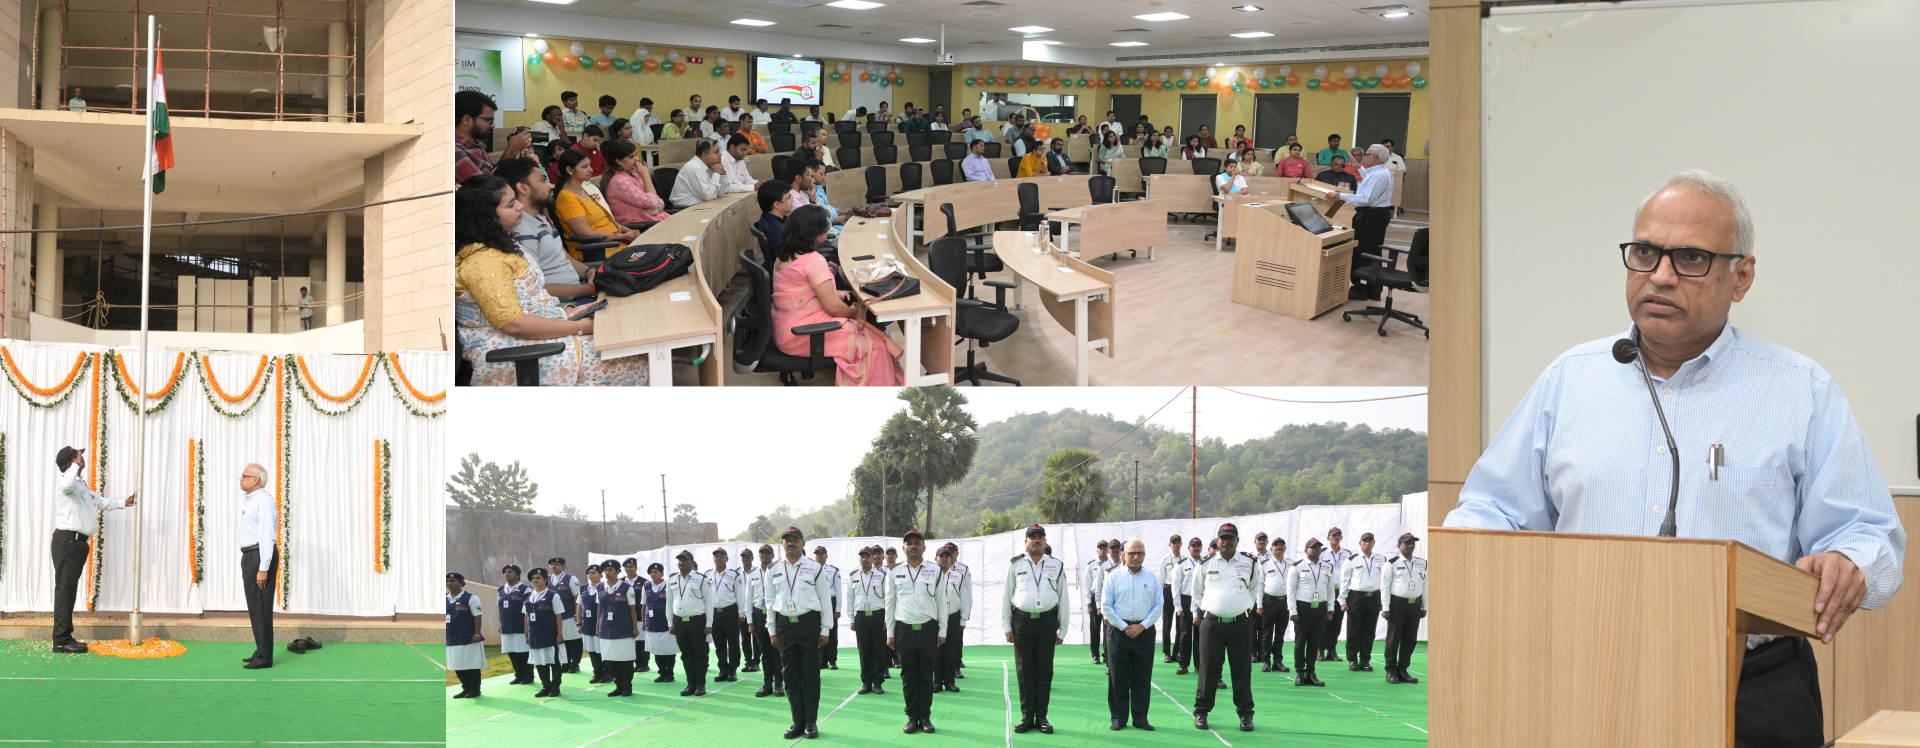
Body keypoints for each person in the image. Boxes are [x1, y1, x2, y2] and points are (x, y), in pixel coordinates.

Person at [1454, 170, 1907, 736]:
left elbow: (1870, 534)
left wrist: (1849, 562)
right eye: (1645, 252)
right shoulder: (1571, 379)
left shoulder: (1800, 389)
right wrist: (1471, 548)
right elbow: (1491, 510)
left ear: (1741, 277)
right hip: (1586, 682)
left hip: (1754, 692)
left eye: (1690, 258)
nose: (1660, 276)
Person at [455, 174, 645, 385]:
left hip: (535, 337)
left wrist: (567, 312)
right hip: (515, 351)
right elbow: (514, 324)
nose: (519, 206)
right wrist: (579, 326)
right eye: (510, 204)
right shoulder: (482, 261)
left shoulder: (500, 245)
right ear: (486, 216)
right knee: (635, 359)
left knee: (624, 339)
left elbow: (528, 300)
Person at [769, 205, 904, 385]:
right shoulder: (814, 261)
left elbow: (798, 291)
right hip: (804, 334)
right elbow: (833, 308)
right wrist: (855, 313)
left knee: (873, 333)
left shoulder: (782, 256)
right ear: (815, 232)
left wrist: (834, 291)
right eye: (825, 224)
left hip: (784, 330)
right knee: (877, 345)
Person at [48, 447, 135, 654]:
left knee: (68, 591)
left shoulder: (79, 484)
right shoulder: (66, 483)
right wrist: (75, 465)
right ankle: (60, 640)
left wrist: (123, 503)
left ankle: (65, 636)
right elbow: (68, 482)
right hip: (68, 541)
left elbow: (97, 500)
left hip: (76, 544)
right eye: (79, 457)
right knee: (65, 591)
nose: (83, 458)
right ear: (70, 463)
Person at [1190, 523, 1260, 733]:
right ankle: (1201, 712)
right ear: (1218, 541)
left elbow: (1254, 589)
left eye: (1231, 538)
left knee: (1242, 670)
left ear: (1237, 541)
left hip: (1241, 624)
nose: (1227, 541)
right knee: (1208, 670)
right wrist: (1211, 610)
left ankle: (1245, 715)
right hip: (1212, 625)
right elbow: (1197, 592)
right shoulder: (1205, 563)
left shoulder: (1250, 562)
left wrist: (1242, 607)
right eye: (1223, 538)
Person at [494, 158, 594, 301]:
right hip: (564, 302)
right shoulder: (521, 230)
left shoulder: (541, 218)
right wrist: (590, 289)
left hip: (580, 289)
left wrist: (590, 273)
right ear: (523, 188)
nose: (551, 185)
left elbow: (565, 258)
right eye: (543, 181)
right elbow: (533, 287)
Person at [1003, 524, 1071, 734]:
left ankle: (1041, 716)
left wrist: (1063, 629)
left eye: (1040, 537)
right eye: (1032, 537)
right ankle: (1026, 717)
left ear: (1045, 541)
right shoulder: (1015, 565)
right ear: (1026, 542)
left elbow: (1064, 598)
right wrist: (1007, 626)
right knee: (1024, 671)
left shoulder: (1056, 565)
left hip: (1046, 622)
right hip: (1022, 621)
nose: (1036, 540)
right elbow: (1007, 596)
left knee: (1044, 670)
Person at [767, 527, 829, 740]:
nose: (791, 543)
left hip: (808, 624)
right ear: (782, 544)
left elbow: (824, 600)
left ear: (803, 543)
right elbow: (769, 602)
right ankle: (797, 720)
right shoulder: (773, 569)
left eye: (795, 540)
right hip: (785, 625)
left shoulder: (815, 568)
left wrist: (825, 629)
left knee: (810, 674)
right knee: (790, 675)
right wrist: (772, 630)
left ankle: (811, 721)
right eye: (787, 540)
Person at [885, 530, 947, 734]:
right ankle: (912, 716)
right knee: (908, 675)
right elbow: (890, 604)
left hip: (928, 629)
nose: (913, 546)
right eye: (909, 543)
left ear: (924, 547)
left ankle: (925, 717)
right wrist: (890, 633)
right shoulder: (894, 572)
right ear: (903, 548)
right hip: (904, 631)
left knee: (926, 674)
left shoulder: (935, 570)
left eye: (917, 543)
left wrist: (942, 630)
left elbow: (941, 603)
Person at [1101, 539, 1161, 731]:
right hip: (1118, 632)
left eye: (1140, 553)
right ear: (1123, 554)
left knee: (1142, 675)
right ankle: (1119, 718)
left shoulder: (1152, 578)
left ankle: (1140, 718)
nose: (1136, 557)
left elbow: (1158, 605)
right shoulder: (1112, 577)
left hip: (1144, 631)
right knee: (1117, 676)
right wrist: (1125, 627)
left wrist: (1142, 626)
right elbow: (1106, 607)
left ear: (1144, 555)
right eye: (1132, 553)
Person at [229, 463, 278, 668]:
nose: (240, 479)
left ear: (255, 480)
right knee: (255, 607)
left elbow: (267, 536)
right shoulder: (252, 500)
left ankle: (264, 658)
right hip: (251, 556)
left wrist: (263, 568)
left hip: (259, 556)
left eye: (244, 476)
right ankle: (260, 650)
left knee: (261, 608)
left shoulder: (263, 502)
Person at [1337, 144, 1396, 301]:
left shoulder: (1378, 175)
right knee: (1373, 251)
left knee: (1362, 253)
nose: (1364, 157)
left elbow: (1365, 199)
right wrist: (1359, 167)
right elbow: (1370, 181)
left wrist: (1340, 195)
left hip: (1370, 216)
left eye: (1367, 154)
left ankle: (1360, 288)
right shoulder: (1382, 172)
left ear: (1374, 157)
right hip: (1377, 215)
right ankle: (1373, 288)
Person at [551, 149, 633, 255]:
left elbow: (604, 221)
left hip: (614, 243)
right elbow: (586, 234)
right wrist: (622, 236)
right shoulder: (566, 197)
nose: (590, 170)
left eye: (589, 165)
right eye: (584, 166)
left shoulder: (587, 190)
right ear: (569, 169)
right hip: (594, 250)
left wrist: (626, 230)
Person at [1377, 533, 1426, 685]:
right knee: (1393, 639)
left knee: (1410, 639)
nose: (1410, 545)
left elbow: (1425, 586)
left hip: (1415, 604)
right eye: (1406, 543)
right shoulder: (1391, 563)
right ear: (1399, 546)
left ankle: (1403, 669)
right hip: (1397, 604)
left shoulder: (1422, 563)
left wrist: (1425, 606)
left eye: (1412, 543)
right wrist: (1385, 607)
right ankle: (1391, 670)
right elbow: (1384, 587)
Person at [1286, 538, 1333, 687]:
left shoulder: (1327, 567)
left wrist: (1330, 609)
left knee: (1314, 643)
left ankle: (1311, 672)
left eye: (1318, 547)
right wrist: (1293, 611)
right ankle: (1300, 672)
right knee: (1300, 643)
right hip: (1302, 608)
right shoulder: (1297, 567)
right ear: (1306, 550)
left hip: (1320, 608)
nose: (1316, 549)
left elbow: (1330, 589)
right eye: (1312, 547)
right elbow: (1291, 590)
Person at [455, 90, 530, 182]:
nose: (493, 125)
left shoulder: (477, 146)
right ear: (467, 120)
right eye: (488, 120)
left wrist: (515, 156)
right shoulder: (455, 151)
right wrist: (510, 151)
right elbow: (486, 190)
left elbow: (492, 174)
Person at [1340, 533, 1386, 672]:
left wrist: (1383, 600)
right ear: (1360, 543)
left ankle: (1365, 659)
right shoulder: (1351, 559)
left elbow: (1385, 581)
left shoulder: (1381, 559)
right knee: (1354, 630)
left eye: (1370, 541)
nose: (1367, 543)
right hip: (1356, 597)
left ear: (1374, 543)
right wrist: (1342, 600)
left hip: (1374, 597)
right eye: (1364, 541)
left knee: (1369, 630)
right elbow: (1344, 580)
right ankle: (1353, 659)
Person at [595, 560, 640, 696]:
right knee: (610, 659)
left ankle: (627, 686)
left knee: (625, 659)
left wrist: (635, 628)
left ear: (618, 572)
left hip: (623, 629)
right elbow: (599, 609)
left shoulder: (626, 587)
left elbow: (633, 610)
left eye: (610, 570)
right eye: (605, 570)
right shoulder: (600, 587)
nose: (607, 573)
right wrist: (598, 626)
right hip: (606, 629)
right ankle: (618, 685)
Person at [599, 140, 669, 225]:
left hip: (653, 221)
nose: (637, 159)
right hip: (641, 227)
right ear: (618, 161)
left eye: (635, 155)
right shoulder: (618, 181)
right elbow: (652, 202)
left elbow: (658, 199)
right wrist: (646, 175)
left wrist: (658, 209)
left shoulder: (634, 175)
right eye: (631, 157)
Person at [523, 567, 568, 697]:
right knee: (540, 663)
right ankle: (545, 686)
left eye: (538, 578)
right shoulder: (527, 596)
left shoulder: (553, 595)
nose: (535, 580)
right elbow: (526, 616)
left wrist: (560, 635)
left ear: (545, 580)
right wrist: (526, 634)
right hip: (534, 635)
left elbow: (558, 616)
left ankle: (555, 687)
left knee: (553, 662)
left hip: (550, 634)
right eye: (533, 578)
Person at [750, 544, 787, 697]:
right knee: (764, 652)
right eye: (762, 553)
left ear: (772, 556)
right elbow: (748, 599)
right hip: (759, 614)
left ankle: (779, 684)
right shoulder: (752, 574)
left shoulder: (778, 571)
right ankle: (767, 684)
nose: (764, 555)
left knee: (777, 651)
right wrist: (750, 622)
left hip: (776, 614)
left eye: (767, 553)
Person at [850, 547, 887, 695]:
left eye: (867, 556)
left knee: (878, 650)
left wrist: (887, 619)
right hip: (861, 616)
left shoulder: (882, 576)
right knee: (864, 651)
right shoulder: (853, 576)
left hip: (878, 616)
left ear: (873, 558)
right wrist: (851, 618)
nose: (864, 559)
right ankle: (866, 682)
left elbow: (888, 598)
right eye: (862, 556)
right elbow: (850, 598)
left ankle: (878, 683)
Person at [710, 548, 750, 684]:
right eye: (716, 556)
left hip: (730, 612)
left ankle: (732, 669)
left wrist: (741, 613)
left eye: (722, 556)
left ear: (727, 559)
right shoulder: (708, 575)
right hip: (714, 613)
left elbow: (740, 594)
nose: (719, 558)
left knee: (733, 643)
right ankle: (723, 669)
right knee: (719, 643)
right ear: (713, 559)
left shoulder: (734, 575)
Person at [934, 543, 970, 693]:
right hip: (935, 619)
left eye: (947, 556)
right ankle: (936, 682)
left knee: (950, 651)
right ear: (935, 559)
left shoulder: (958, 576)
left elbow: (964, 599)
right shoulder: (930, 576)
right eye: (941, 556)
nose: (944, 559)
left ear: (951, 559)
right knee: (936, 652)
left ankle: (949, 681)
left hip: (952, 617)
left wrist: (963, 620)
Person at [1314, 528, 1352, 662]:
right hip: (1326, 591)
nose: (1336, 537)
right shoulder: (1323, 553)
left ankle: (1332, 650)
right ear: (1328, 538)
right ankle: (1320, 650)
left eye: (1338, 535)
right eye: (1333, 536)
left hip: (1341, 591)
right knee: (1324, 621)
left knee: (1337, 621)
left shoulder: (1348, 554)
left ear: (1341, 537)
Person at [447, 572, 486, 698]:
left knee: (471, 664)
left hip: (469, 638)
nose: (449, 583)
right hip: (452, 638)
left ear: (461, 582)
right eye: (447, 581)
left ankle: (475, 689)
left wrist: (476, 634)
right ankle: (466, 688)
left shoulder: (471, 597)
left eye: (453, 580)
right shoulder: (445, 598)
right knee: (457, 665)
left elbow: (477, 616)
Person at [641, 561, 680, 681]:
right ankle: (662, 672)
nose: (653, 574)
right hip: (651, 623)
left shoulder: (668, 584)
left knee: (668, 649)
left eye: (656, 572)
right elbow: (643, 605)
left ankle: (670, 673)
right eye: (651, 572)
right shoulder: (646, 586)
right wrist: (643, 621)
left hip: (666, 622)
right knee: (656, 649)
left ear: (662, 573)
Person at [1258, 537, 1291, 673]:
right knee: (1266, 633)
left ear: (1285, 548)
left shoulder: (1291, 564)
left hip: (1285, 601)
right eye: (1276, 545)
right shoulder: (1264, 564)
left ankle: (1278, 661)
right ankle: (1266, 661)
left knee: (1280, 633)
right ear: (1271, 549)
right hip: (1269, 601)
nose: (1279, 547)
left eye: (1282, 545)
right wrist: (1259, 604)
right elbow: (1259, 585)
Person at [497, 564, 534, 684]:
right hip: (507, 626)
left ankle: (528, 675)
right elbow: (500, 608)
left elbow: (529, 609)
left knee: (523, 651)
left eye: (510, 572)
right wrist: (500, 623)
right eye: (505, 572)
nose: (507, 573)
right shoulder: (501, 589)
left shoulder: (525, 589)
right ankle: (519, 675)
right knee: (512, 652)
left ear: (517, 574)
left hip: (520, 626)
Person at [670, 139, 732, 207]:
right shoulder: (695, 167)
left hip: (701, 205)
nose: (721, 154)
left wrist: (722, 174)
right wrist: (716, 173)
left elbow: (720, 193)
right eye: (716, 152)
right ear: (705, 155)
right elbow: (707, 196)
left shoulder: (711, 165)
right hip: (685, 208)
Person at [811, 546, 843, 670]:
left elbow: (839, 590)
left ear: (826, 556)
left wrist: (838, 609)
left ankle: (832, 660)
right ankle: (822, 660)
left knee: (832, 631)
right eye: (817, 554)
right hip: (816, 602)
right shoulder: (811, 569)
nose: (819, 556)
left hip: (830, 601)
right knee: (818, 630)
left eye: (821, 553)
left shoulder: (833, 570)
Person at [1085, 542, 1111, 665]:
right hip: (1095, 597)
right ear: (1097, 550)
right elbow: (1087, 585)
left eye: (1105, 548)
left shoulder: (1111, 564)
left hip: (1107, 598)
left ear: (1108, 550)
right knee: (1095, 629)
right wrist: (1089, 603)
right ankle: (1095, 654)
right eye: (1100, 548)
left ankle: (1107, 654)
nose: (1103, 550)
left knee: (1108, 628)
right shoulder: (1091, 565)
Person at [1159, 535, 1181, 662]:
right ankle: (1167, 653)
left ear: (1181, 545)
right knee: (1167, 624)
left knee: (1180, 625)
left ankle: (1176, 652)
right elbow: (1161, 580)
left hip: (1180, 591)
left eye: (1178, 543)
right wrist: (1161, 598)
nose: (1176, 545)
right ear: (1170, 545)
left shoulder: (1185, 560)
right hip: (1167, 591)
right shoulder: (1165, 560)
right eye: (1174, 543)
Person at [739, 549, 761, 675]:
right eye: (743, 557)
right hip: (743, 609)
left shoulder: (758, 572)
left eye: (748, 557)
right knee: (744, 636)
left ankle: (756, 661)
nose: (745, 559)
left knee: (756, 636)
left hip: (755, 609)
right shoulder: (737, 573)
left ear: (752, 558)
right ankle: (748, 661)